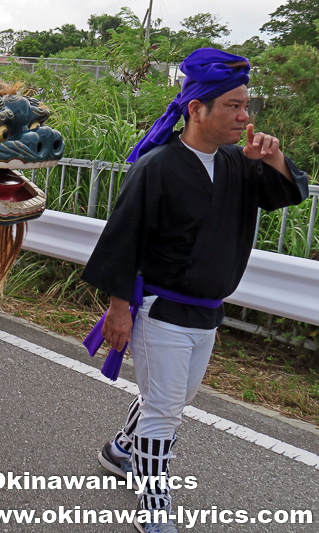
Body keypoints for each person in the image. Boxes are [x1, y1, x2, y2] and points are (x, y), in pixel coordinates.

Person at [81, 48, 309, 533]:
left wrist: (274, 159)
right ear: (196, 109)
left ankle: (121, 448)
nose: (244, 115)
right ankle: (155, 505)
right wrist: (118, 309)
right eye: (232, 105)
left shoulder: (240, 161)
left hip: (208, 311)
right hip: (161, 309)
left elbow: (287, 194)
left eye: (247, 105)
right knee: (166, 409)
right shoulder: (157, 167)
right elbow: (124, 239)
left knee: (174, 397)